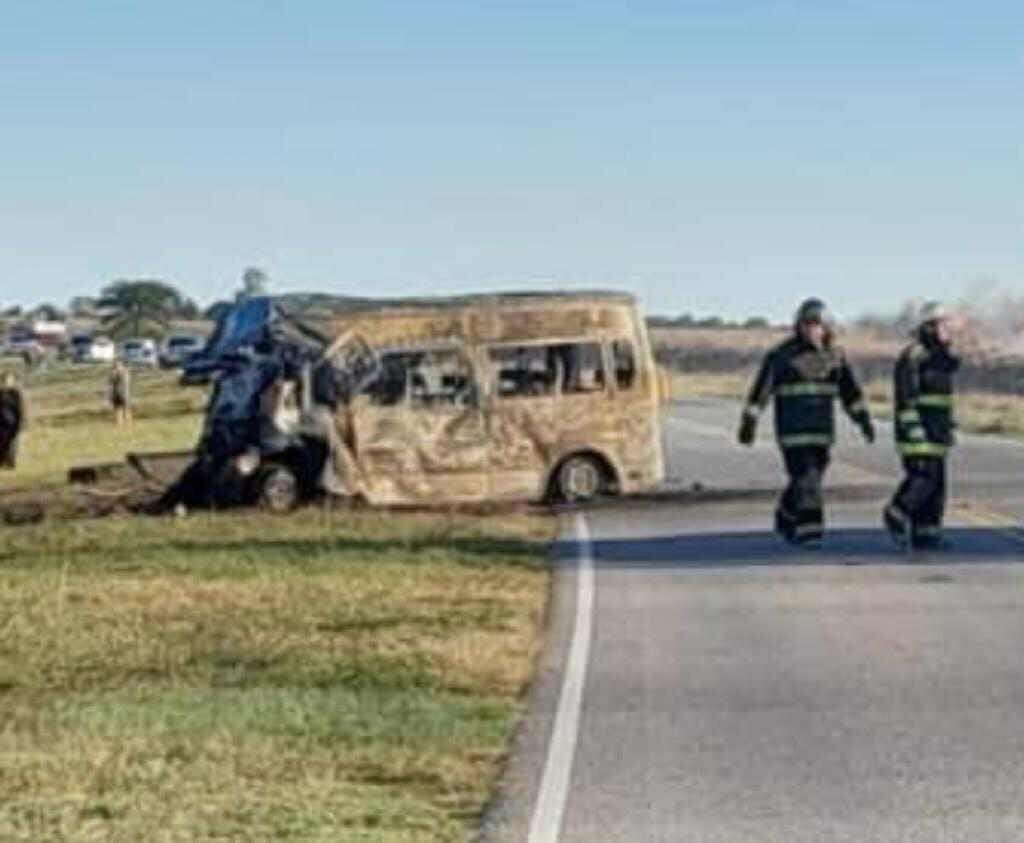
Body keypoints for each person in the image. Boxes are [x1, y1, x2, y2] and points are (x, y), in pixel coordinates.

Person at [738, 298, 875, 546]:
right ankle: (809, 529)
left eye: (817, 324)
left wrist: (863, 420)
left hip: (821, 433)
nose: (812, 329)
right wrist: (749, 421)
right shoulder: (782, 356)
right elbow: (762, 390)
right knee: (806, 479)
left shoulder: (834, 357)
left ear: (826, 327)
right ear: (798, 326)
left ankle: (786, 514)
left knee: (807, 479)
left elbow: (850, 393)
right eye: (807, 324)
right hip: (793, 433)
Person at [884, 302, 960, 549]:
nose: (948, 328)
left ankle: (926, 535)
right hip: (917, 431)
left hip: (937, 432)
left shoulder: (938, 356)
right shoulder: (912, 356)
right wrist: (913, 429)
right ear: (927, 327)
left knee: (937, 485)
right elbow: (906, 396)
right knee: (923, 479)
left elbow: (951, 368)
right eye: (942, 324)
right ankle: (897, 510)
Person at [0, 372, 25, 470]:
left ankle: (11, 462)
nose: (6, 383)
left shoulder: (16, 394)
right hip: (2, 424)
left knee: (13, 443)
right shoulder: (1, 394)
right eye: (4, 381)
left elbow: (21, 409)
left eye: (9, 381)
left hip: (13, 423)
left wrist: (21, 423)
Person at [110, 361, 132, 427]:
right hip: (116, 393)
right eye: (115, 366)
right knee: (117, 410)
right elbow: (111, 382)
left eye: (117, 366)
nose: (116, 367)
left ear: (121, 366)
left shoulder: (125, 373)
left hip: (124, 394)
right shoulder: (113, 373)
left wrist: (119, 374)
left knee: (126, 409)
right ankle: (119, 424)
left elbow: (126, 382)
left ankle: (128, 424)